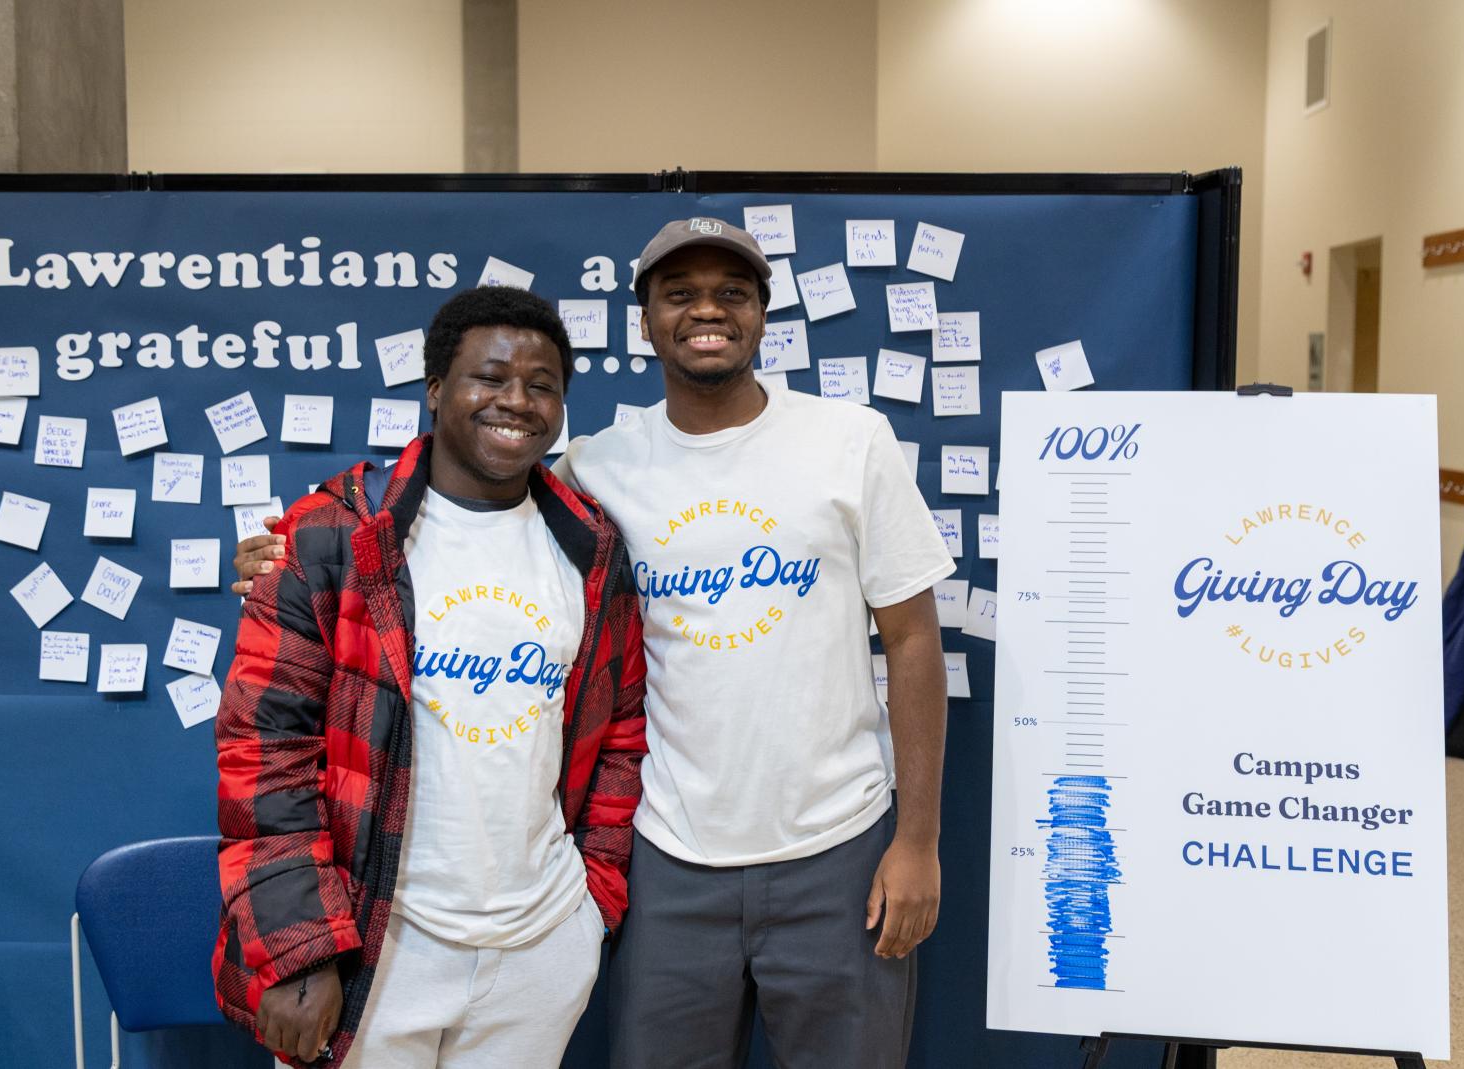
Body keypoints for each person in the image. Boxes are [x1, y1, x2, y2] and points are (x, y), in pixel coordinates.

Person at [232, 218, 951, 1068]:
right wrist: (290, 549)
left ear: (763, 313)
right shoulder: (593, 471)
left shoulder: (849, 441)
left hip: (838, 846)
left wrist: (917, 840)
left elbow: (911, 640)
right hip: (669, 859)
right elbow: (454, 494)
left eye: (733, 292)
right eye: (679, 294)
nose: (707, 311)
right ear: (643, 321)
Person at [213, 286, 647, 1069]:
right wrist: (298, 947)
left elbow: (620, 731)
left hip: (539, 947)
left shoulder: (591, 550)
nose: (516, 400)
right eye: (490, 376)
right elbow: (262, 751)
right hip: (375, 942)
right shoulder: (335, 537)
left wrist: (594, 906)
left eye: (542, 384)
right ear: (438, 388)